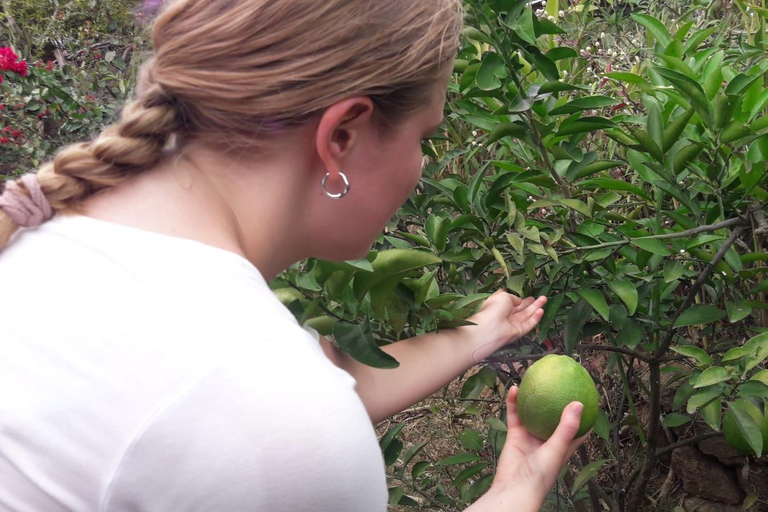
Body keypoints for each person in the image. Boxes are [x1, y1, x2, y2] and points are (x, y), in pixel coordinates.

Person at [0, 0, 590, 510]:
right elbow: (278, 417)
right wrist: (512, 498)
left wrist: (477, 335)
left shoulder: (54, 242)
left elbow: (320, 389)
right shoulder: (264, 406)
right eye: (423, 137)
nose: (423, 166)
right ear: (342, 136)